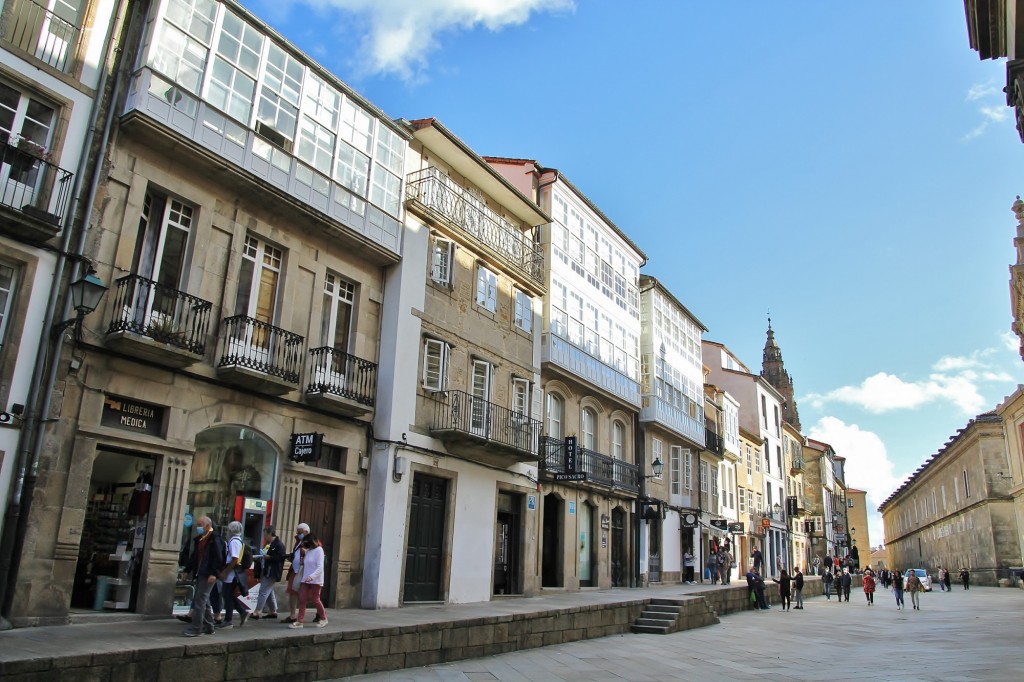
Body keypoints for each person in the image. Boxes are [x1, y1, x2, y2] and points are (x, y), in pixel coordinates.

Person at [182, 516, 224, 637]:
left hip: (208, 573)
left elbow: (218, 557)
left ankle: (197, 628)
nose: (198, 527)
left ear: (207, 525)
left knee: (200, 600)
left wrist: (214, 573)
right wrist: (187, 570)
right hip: (201, 572)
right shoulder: (201, 539)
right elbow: (195, 556)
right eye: (197, 525)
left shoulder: (214, 538)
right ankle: (208, 626)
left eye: (200, 524)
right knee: (204, 601)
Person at [289, 531, 328, 628]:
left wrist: (312, 576)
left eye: (306, 542)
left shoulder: (319, 550)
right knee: (302, 599)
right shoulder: (309, 551)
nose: (304, 544)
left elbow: (320, 567)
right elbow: (308, 563)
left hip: (315, 580)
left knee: (315, 599)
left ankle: (323, 618)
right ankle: (300, 621)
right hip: (305, 579)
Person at [218, 521, 251, 628]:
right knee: (229, 595)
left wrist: (225, 572)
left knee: (227, 595)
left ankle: (228, 620)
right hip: (232, 573)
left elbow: (234, 559)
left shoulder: (234, 542)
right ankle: (242, 612)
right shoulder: (235, 541)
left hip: (232, 574)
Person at [252, 525, 286, 620]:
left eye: (265, 534)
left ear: (270, 533)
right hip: (266, 570)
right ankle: (273, 610)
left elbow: (280, 558)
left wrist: (269, 557)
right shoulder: (269, 544)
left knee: (263, 590)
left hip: (272, 571)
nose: (264, 537)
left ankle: (257, 611)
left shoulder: (278, 545)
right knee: (269, 591)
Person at [283, 523, 309, 624]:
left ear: (306, 532)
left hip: (303, 571)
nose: (298, 534)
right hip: (295, 570)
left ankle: (320, 614)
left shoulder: (311, 542)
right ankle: (293, 615)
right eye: (297, 532)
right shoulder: (299, 542)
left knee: (308, 595)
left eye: (300, 532)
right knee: (292, 592)